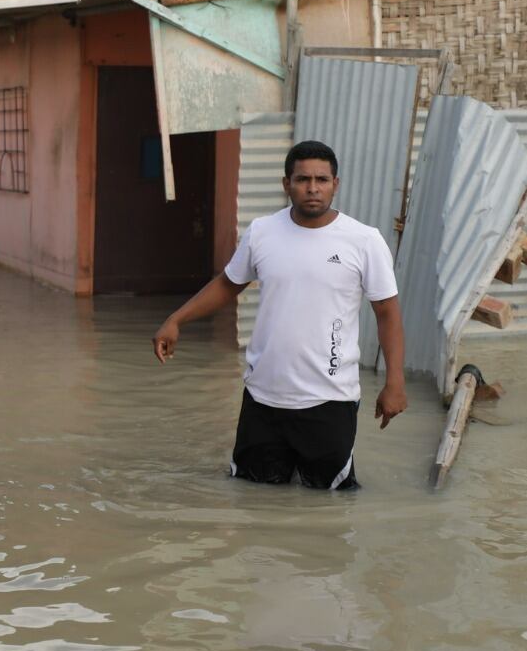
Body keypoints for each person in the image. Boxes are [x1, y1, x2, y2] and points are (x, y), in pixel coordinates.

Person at [152, 140, 407, 490]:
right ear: (286, 184)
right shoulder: (262, 232)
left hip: (329, 399)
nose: (313, 188)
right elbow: (228, 284)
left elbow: (387, 313)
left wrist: (395, 382)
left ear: (335, 184)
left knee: (330, 503)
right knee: (252, 496)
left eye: (322, 179)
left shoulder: (364, 241)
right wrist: (176, 319)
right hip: (263, 398)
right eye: (303, 179)